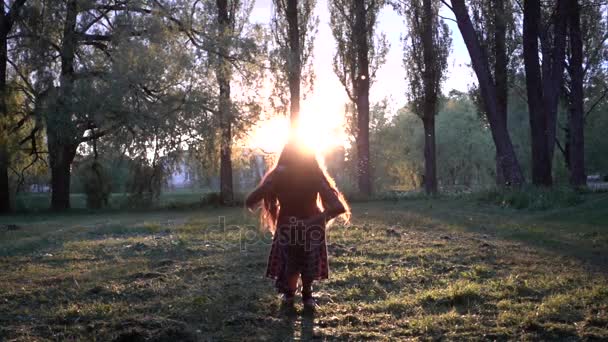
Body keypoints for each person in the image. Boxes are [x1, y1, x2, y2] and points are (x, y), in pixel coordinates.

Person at [245, 140, 350, 309]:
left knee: (300, 261)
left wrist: (315, 221)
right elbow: (250, 201)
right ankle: (296, 295)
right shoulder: (287, 176)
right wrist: (270, 183)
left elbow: (338, 207)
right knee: (293, 261)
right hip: (296, 227)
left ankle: (302, 295)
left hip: (303, 227)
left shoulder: (312, 175)